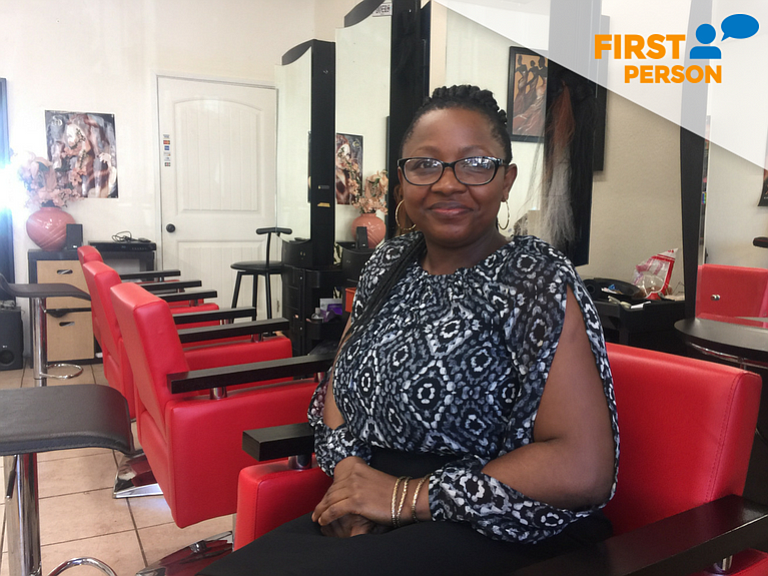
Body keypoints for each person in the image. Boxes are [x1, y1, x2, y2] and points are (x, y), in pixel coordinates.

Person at [199, 85, 619, 576]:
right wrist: (349, 477)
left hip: (494, 523)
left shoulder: (535, 278)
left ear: (506, 180)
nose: (447, 183)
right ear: (401, 183)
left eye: (475, 163)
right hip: (374, 506)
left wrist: (404, 497)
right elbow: (341, 382)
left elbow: (583, 467)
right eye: (425, 164)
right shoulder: (389, 264)